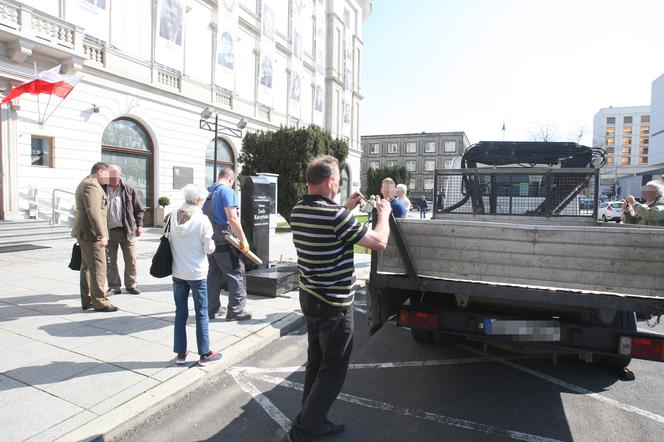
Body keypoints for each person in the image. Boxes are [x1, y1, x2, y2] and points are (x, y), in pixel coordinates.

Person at [286, 155, 392, 442]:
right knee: (333, 369)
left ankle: (313, 418)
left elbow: (328, 226)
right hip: (334, 303)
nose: (339, 187)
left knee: (316, 362)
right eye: (338, 182)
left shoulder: (298, 209)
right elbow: (379, 242)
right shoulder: (335, 216)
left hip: (309, 297)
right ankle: (305, 429)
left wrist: (346, 208)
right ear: (331, 181)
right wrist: (383, 213)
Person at [168, 184, 220, 366]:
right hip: (197, 273)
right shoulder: (202, 219)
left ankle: (181, 353)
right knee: (201, 313)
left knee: (180, 313)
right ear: (199, 200)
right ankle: (205, 353)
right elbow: (209, 248)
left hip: (177, 271)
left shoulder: (173, 215)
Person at [206, 167, 252, 321]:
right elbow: (232, 218)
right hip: (225, 241)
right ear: (231, 180)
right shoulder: (226, 191)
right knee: (236, 273)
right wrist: (243, 240)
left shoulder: (208, 191)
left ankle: (211, 309)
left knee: (213, 275)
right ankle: (236, 311)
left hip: (209, 241)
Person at [71, 162, 117, 312]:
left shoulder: (87, 183)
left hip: (86, 232)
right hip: (92, 234)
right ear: (100, 172)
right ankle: (100, 301)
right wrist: (101, 234)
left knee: (86, 267)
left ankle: (88, 299)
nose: (109, 178)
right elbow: (94, 212)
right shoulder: (91, 185)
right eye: (108, 174)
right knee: (98, 267)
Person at [104, 165, 145, 295]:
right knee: (110, 261)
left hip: (127, 230)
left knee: (131, 259)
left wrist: (139, 225)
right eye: (110, 176)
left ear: (121, 175)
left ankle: (131, 285)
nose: (113, 179)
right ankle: (114, 286)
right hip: (108, 231)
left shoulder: (129, 190)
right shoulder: (101, 189)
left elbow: (138, 209)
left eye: (115, 176)